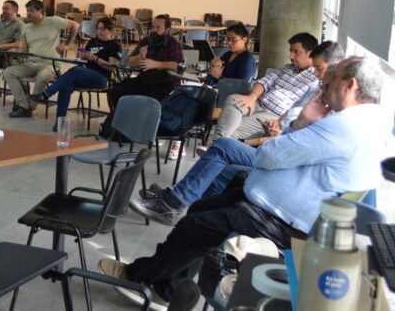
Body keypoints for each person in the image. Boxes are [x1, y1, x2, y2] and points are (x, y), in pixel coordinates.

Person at [100, 56, 391, 306]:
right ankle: (166, 287)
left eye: (329, 83)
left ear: (350, 85)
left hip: (283, 222)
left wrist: (301, 122)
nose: (324, 91)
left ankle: (140, 278)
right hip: (270, 205)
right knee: (201, 209)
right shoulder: (368, 122)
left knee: (195, 226)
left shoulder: (345, 127)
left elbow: (268, 155)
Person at [132, 41, 346, 226]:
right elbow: (286, 113)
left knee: (224, 147)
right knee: (223, 159)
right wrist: (279, 127)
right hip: (275, 136)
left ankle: (174, 202)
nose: (317, 75)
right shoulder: (317, 90)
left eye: (320, 69)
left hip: (280, 155)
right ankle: (191, 212)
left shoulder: (333, 108)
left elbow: (299, 143)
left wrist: (270, 137)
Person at [213, 32, 319, 140]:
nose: (290, 56)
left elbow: (302, 111)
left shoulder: (316, 79)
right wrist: (252, 97)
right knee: (233, 99)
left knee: (232, 128)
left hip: (274, 115)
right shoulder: (287, 68)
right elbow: (264, 82)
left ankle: (214, 143)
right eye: (291, 51)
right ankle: (216, 143)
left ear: (310, 53)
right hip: (257, 104)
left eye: (296, 52)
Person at [100, 14, 183, 137]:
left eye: (158, 27)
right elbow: (130, 62)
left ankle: (144, 129)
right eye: (153, 27)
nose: (154, 30)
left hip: (165, 84)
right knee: (117, 90)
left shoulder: (173, 43)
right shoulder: (146, 41)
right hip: (145, 81)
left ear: (167, 29)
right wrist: (140, 56)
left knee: (152, 100)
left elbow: (178, 65)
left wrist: (156, 64)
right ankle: (121, 124)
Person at [30, 16, 121, 128]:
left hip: (101, 77)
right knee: (66, 86)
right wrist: (82, 57)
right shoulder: (93, 41)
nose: (100, 32)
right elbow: (85, 59)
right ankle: (60, 122)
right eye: (98, 29)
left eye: (103, 29)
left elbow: (112, 67)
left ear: (110, 30)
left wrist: (95, 58)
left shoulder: (114, 45)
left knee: (76, 71)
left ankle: (46, 94)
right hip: (84, 73)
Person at [2, 0, 79, 118]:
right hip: (31, 63)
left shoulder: (53, 21)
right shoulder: (27, 28)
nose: (28, 14)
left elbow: (75, 25)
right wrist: (16, 51)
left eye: (32, 11)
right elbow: (25, 48)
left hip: (50, 65)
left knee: (42, 77)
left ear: (40, 11)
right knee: (8, 72)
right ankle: (24, 106)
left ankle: (30, 108)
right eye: (27, 11)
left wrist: (66, 44)